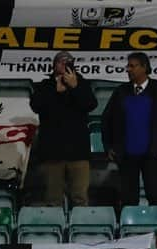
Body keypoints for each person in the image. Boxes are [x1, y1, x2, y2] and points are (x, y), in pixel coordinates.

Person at [102, 52, 157, 209]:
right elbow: (106, 120)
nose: (128, 69)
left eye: (132, 66)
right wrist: (108, 146)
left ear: (144, 67)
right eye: (128, 66)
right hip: (126, 155)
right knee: (128, 199)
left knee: (154, 196)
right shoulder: (121, 91)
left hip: (151, 155)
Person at [29, 50, 96, 208]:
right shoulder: (45, 86)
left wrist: (74, 87)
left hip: (78, 152)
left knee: (80, 197)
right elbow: (36, 106)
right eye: (61, 61)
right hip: (52, 152)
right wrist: (55, 91)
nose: (65, 64)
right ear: (54, 65)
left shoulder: (82, 83)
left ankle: (81, 230)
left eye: (69, 62)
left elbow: (90, 105)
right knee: (53, 199)